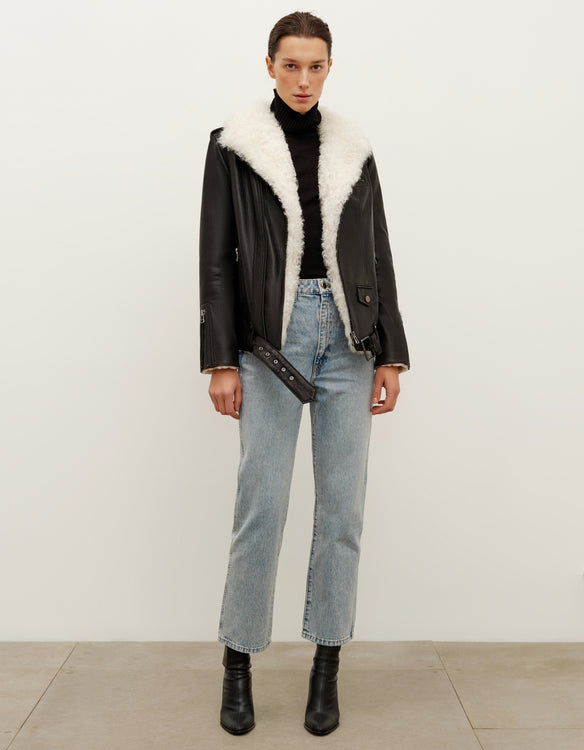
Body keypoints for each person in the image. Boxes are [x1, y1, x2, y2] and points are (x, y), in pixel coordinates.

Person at [198, 11, 410, 736]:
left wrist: (391, 352)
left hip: (349, 338)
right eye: (290, 65)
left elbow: (377, 253)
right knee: (261, 506)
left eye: (315, 66)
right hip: (269, 340)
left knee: (342, 513)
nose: (302, 79)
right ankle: (238, 665)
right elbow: (217, 260)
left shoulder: (355, 148)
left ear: (329, 68)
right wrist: (220, 359)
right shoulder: (233, 146)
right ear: (269, 65)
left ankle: (327, 668)